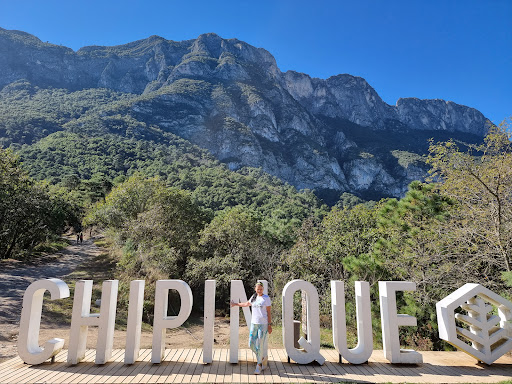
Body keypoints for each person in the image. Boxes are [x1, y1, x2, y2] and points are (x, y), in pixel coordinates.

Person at [230, 282, 272, 375]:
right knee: (250, 344)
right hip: (254, 324)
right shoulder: (254, 297)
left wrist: (269, 325)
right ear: (255, 289)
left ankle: (259, 365)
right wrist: (235, 304)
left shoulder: (266, 298)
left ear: (263, 289)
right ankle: (261, 357)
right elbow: (246, 304)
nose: (259, 290)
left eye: (261, 289)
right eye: (258, 289)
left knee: (260, 344)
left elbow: (269, 312)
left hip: (263, 324)